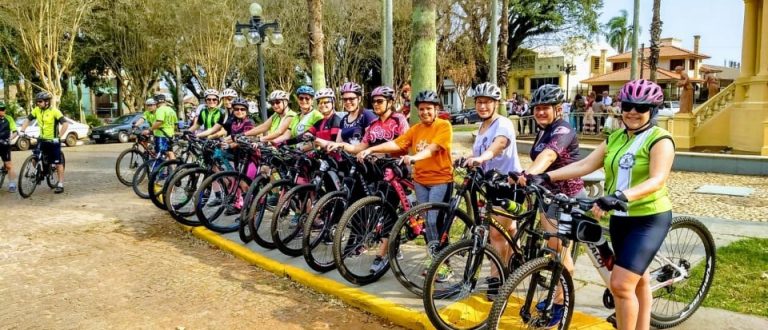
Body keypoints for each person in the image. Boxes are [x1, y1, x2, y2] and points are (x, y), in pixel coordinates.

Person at [534, 79, 674, 330]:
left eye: (641, 108)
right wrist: (546, 176)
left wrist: (620, 196)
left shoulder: (660, 139)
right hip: (620, 218)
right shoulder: (616, 137)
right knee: (637, 280)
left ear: (652, 111)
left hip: (648, 218)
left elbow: (657, 179)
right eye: (628, 105)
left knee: (620, 284)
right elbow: (585, 165)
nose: (632, 111)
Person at [356, 89, 452, 276]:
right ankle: (436, 261)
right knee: (428, 222)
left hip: (440, 180)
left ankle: (443, 265)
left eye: (429, 109)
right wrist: (371, 150)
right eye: (421, 109)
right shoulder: (416, 129)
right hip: (421, 181)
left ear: (437, 109)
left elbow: (433, 149)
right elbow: (397, 144)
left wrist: (415, 157)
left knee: (434, 221)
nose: (425, 112)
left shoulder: (443, 126)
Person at [514, 84, 585, 324]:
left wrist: (530, 175)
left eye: (545, 108)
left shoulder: (563, 129)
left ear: (558, 109)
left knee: (561, 255)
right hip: (548, 196)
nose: (540, 112)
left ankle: (560, 304)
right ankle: (558, 295)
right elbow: (538, 160)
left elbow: (549, 156)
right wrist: (523, 174)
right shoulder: (543, 129)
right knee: (554, 249)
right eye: (537, 109)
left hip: (568, 198)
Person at [462, 82, 523, 288]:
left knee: (496, 234)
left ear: (496, 103)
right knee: (509, 229)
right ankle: (519, 262)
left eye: (487, 102)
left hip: (508, 184)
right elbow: (479, 150)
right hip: (491, 183)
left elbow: (498, 146)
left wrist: (482, 158)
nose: (482, 106)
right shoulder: (482, 126)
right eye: (479, 102)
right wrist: (466, 157)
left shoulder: (503, 123)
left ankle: (498, 279)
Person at [329, 86, 409, 155]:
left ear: (390, 102)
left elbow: (404, 143)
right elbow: (360, 148)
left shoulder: (399, 119)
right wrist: (341, 145)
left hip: (396, 168)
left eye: (380, 101)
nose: (375, 104)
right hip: (375, 168)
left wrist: (372, 150)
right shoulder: (373, 124)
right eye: (373, 101)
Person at [20, 92, 69, 193]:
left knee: (58, 163)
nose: (38, 103)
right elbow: (27, 120)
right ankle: (40, 173)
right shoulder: (37, 110)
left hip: (53, 140)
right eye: (37, 102)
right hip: (41, 139)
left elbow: (65, 124)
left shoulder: (55, 111)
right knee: (34, 159)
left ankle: (60, 183)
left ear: (47, 102)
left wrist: (59, 137)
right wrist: (22, 130)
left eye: (40, 101)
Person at [336, 82, 377, 146]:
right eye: (345, 99)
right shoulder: (344, 120)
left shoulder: (367, 116)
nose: (348, 102)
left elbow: (373, 143)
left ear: (359, 99)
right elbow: (338, 143)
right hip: (345, 155)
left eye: (351, 99)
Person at [150, 94, 177, 160]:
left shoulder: (160, 110)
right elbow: (175, 123)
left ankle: (160, 169)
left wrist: (150, 129)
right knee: (170, 152)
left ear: (157, 102)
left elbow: (159, 121)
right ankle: (174, 168)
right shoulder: (171, 110)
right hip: (170, 135)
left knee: (159, 153)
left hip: (161, 135)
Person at [0, 102, 18, 192]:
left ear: (5, 110)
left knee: (8, 165)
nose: (0, 111)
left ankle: (11, 184)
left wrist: (10, 138)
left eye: (2, 109)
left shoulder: (9, 118)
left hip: (4, 144)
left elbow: (15, 131)